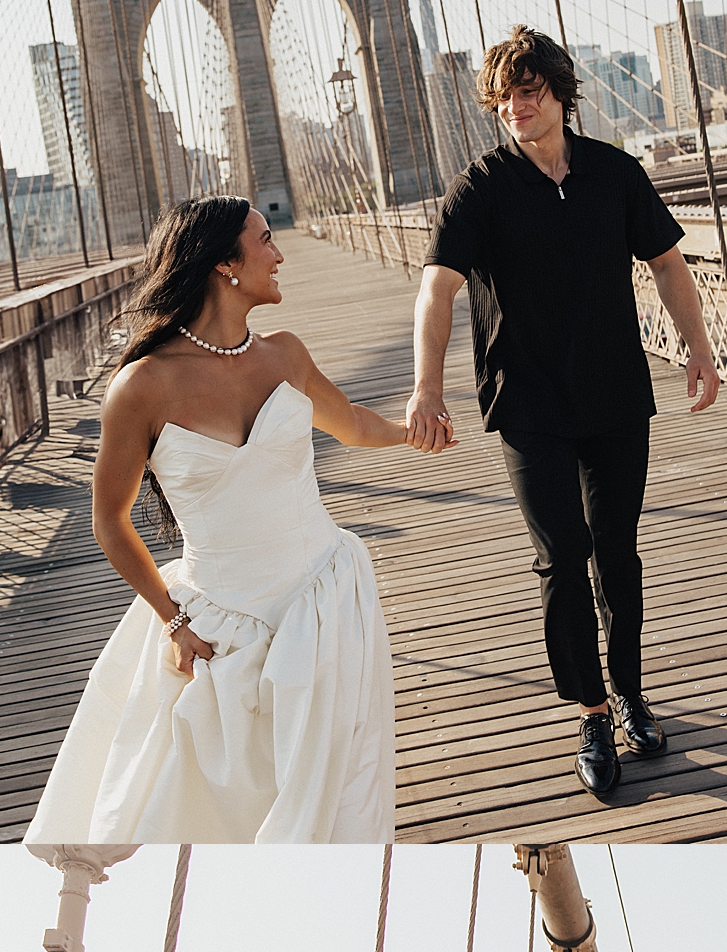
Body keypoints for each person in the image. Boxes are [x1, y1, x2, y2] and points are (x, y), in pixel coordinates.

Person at [25, 197, 451, 844]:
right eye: (266, 240)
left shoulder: (285, 355)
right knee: (211, 815)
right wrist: (172, 619)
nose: (280, 254)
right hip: (219, 629)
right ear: (226, 263)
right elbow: (109, 521)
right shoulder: (141, 386)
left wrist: (411, 432)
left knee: (338, 801)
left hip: (326, 606)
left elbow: (354, 423)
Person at [408, 25, 722, 799]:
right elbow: (436, 289)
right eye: (506, 93)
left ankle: (632, 693)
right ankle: (589, 710)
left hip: (618, 394)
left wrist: (701, 350)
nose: (518, 103)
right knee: (560, 562)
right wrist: (425, 387)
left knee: (618, 554)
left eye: (531, 88)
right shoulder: (478, 189)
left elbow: (670, 265)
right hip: (528, 405)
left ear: (560, 93)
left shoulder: (616, 173)